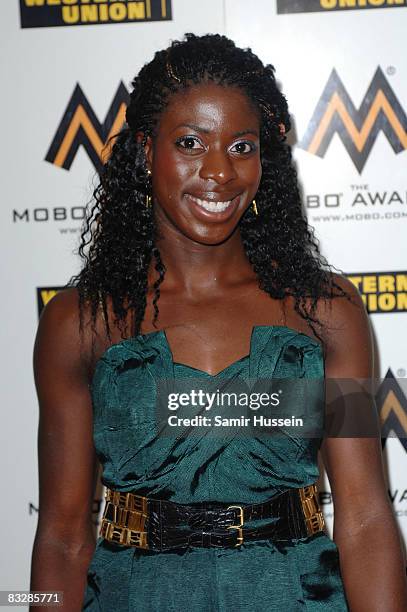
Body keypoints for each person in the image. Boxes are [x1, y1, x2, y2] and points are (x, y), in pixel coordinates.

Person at [30, 33, 407, 611]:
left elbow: (362, 516)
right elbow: (61, 534)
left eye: (241, 146)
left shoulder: (328, 311)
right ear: (143, 150)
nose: (219, 173)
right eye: (190, 142)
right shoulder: (79, 322)